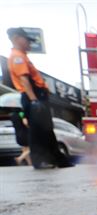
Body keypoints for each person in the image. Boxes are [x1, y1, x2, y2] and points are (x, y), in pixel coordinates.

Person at [7, 27, 72, 169]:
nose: (29, 44)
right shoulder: (17, 57)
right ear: (17, 38)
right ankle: (41, 161)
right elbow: (24, 80)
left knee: (46, 130)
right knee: (37, 131)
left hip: (36, 96)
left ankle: (57, 159)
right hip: (33, 96)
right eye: (27, 40)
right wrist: (34, 100)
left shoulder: (21, 55)